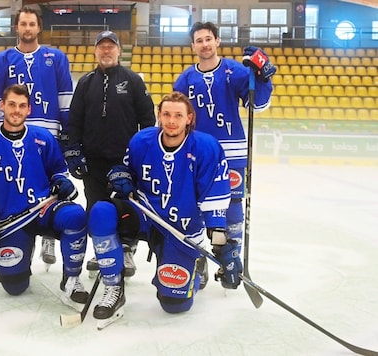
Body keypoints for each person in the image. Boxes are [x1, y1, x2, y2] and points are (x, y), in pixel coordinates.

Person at [86, 91, 236, 329]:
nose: (171, 121)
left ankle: (196, 266)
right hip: (144, 215)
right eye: (166, 114)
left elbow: (214, 199)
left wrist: (220, 244)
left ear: (189, 118)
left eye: (178, 115)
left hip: (181, 229)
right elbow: (126, 171)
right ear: (159, 116)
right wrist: (120, 174)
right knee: (101, 211)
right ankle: (114, 287)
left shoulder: (206, 148)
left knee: (174, 304)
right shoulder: (142, 141)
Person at [0, 84, 89, 309]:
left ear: (29, 109)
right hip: (10, 220)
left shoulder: (43, 138)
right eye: (12, 105)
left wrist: (61, 182)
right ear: (2, 106)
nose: (16, 110)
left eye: (22, 106)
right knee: (14, 287)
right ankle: (24, 247)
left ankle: (72, 279)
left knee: (75, 215)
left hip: (44, 210)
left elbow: (58, 171)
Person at [173, 21, 275, 288]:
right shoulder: (185, 78)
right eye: (199, 40)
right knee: (193, 207)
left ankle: (232, 262)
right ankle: (198, 258)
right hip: (197, 153)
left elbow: (258, 104)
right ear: (192, 45)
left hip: (232, 152)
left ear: (217, 41)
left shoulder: (236, 71)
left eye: (209, 39)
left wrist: (263, 77)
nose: (204, 44)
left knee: (231, 208)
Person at [0, 7, 74, 267]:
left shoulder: (55, 57)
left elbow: (65, 94)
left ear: (38, 28)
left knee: (48, 180)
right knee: (4, 180)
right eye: (23, 23)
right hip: (9, 131)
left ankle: (48, 236)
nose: (27, 28)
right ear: (16, 27)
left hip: (47, 132)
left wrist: (67, 131)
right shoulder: (1, 59)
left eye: (32, 24)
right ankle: (1, 229)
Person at [66, 30, 156, 277]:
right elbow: (74, 121)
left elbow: (148, 121)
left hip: (124, 160)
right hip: (93, 161)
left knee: (124, 205)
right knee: (96, 206)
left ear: (119, 50)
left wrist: (142, 154)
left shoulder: (133, 80)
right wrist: (73, 150)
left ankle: (126, 248)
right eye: (102, 47)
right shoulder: (85, 83)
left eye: (111, 46)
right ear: (95, 51)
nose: (106, 51)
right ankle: (102, 249)